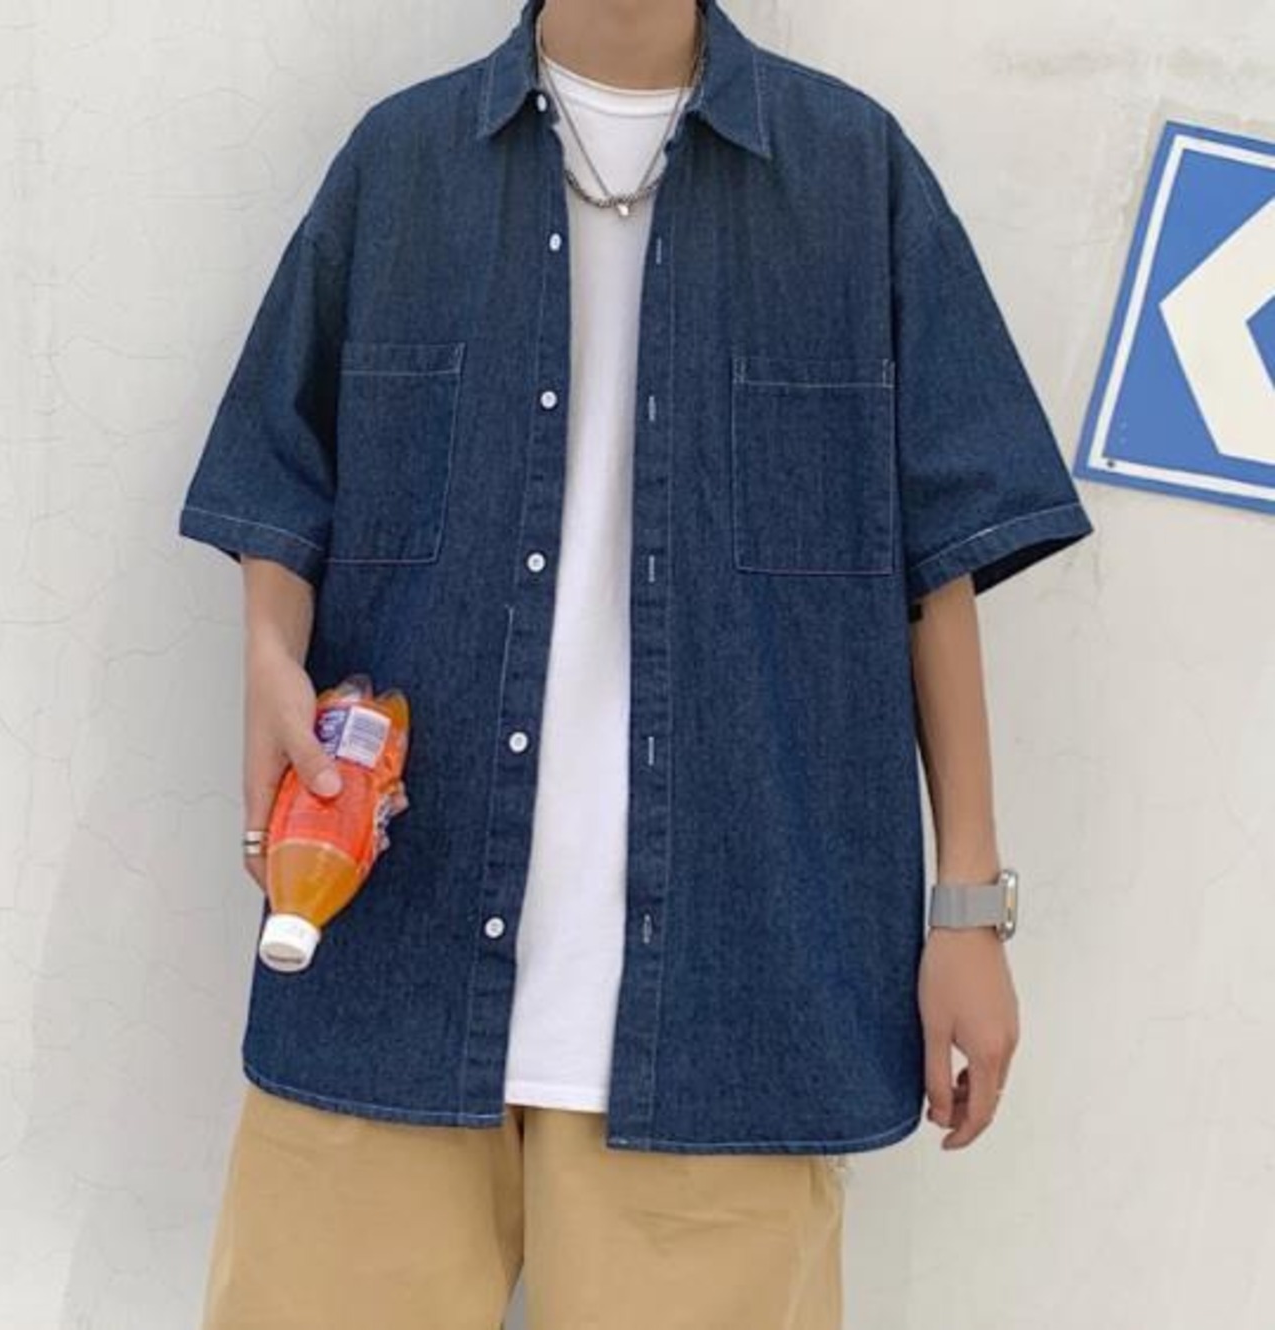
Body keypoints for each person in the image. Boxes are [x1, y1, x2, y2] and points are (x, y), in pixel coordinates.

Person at [177, 0, 1096, 1325]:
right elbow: (282, 473)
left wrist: (967, 910)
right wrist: (268, 649)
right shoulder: (401, 163)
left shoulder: (853, 175)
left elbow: (931, 560)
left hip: (736, 1002)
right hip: (390, 968)